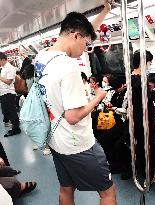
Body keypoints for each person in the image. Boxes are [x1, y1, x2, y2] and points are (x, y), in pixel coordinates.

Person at [33, 1, 116, 205]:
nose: (86, 50)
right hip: (79, 144)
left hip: (56, 141)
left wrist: (105, 12)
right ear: (75, 36)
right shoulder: (68, 67)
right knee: (108, 191)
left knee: (66, 189)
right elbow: (73, 116)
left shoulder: (41, 57)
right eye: (86, 45)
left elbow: (86, 31)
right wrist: (97, 98)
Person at [131, 50, 155, 184]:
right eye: (149, 62)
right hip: (148, 121)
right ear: (144, 62)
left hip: (138, 121)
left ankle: (149, 176)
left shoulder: (130, 78)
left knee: (143, 150)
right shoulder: (140, 80)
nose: (150, 65)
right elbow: (146, 100)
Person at [0, 52, 21, 137]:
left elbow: (9, 82)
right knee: (7, 111)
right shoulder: (4, 68)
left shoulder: (10, 68)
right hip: (3, 93)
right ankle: (14, 126)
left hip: (8, 93)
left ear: (2, 59)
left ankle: (16, 129)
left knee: (12, 111)